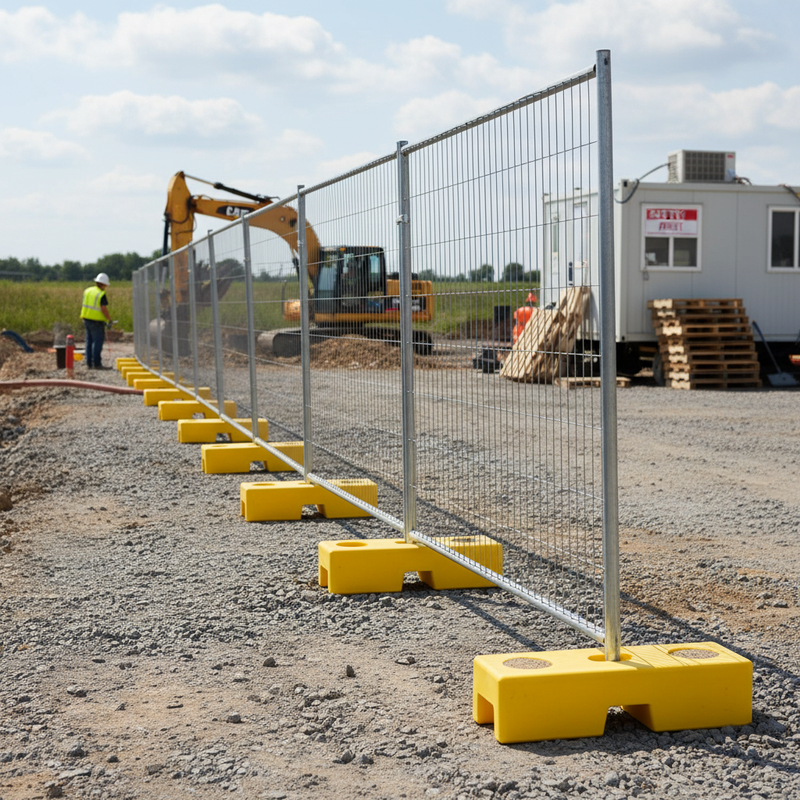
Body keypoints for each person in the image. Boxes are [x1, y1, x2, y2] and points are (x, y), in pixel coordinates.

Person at [80, 272, 112, 370]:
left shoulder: (88, 291)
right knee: (97, 342)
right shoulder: (101, 294)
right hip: (96, 322)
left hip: (86, 319)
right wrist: (109, 320)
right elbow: (103, 308)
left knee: (89, 342)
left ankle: (89, 363)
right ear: (103, 284)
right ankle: (97, 364)